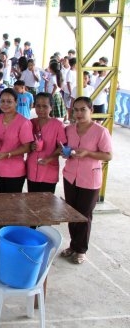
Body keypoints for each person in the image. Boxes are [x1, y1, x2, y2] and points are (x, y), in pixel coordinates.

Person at [60, 97, 112, 265]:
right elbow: (65, 149)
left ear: (91, 110)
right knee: (71, 213)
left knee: (84, 215)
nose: (79, 113)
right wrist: (64, 153)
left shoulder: (100, 131)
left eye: (83, 109)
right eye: (76, 110)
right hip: (70, 176)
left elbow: (108, 155)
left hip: (90, 178)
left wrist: (88, 153)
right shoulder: (69, 129)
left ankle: (81, 249)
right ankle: (73, 245)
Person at [0, 88, 33, 246]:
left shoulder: (23, 122)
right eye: (3, 101)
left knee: (11, 205)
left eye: (9, 101)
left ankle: (10, 238)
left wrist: (9, 154)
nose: (5, 104)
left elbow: (27, 147)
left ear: (16, 102)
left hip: (14, 171)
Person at [26, 93, 66, 193]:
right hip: (32, 167)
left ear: (51, 107)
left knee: (47, 203)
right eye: (38, 106)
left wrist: (49, 158)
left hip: (49, 169)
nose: (41, 109)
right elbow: (25, 143)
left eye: (45, 106)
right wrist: (31, 146)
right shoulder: (30, 123)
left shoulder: (58, 125)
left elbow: (62, 146)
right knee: (32, 201)